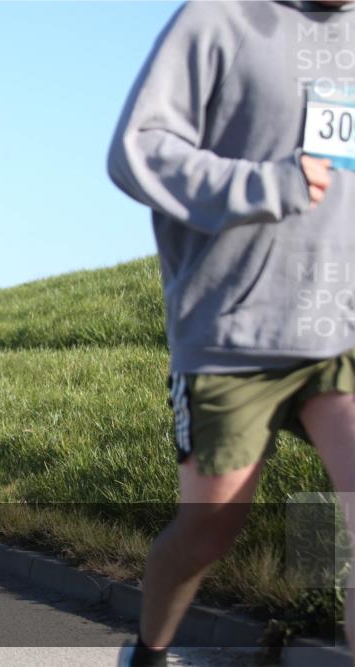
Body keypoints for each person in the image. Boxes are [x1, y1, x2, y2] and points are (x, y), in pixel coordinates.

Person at [107, 3, 355, 665]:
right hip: (232, 330)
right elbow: (137, 151)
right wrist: (264, 182)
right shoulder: (221, 17)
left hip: (343, 326)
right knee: (211, 528)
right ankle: (150, 649)